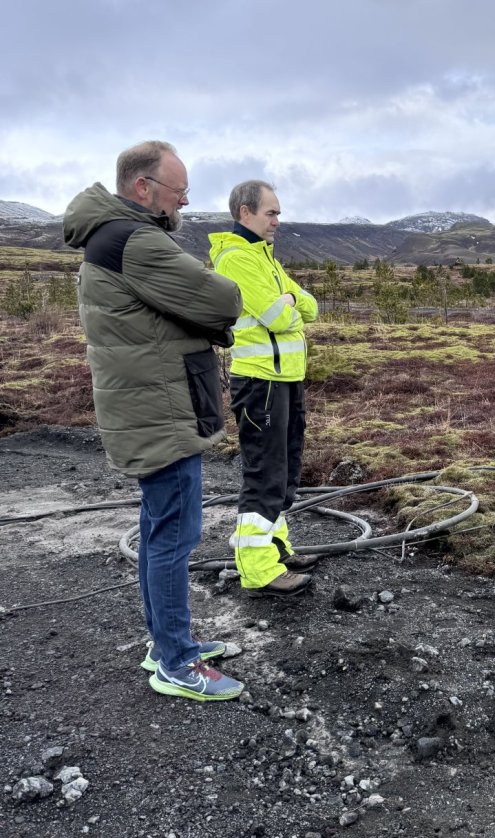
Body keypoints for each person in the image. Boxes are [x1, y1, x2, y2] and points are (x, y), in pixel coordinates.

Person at [63, 141, 246, 700]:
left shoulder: (111, 235)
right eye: (179, 191)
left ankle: (165, 641)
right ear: (144, 188)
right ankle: (176, 661)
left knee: (156, 529)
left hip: (148, 404)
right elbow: (224, 298)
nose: (185, 202)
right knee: (173, 535)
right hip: (159, 409)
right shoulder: (134, 240)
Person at [208, 181, 319, 597]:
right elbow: (277, 316)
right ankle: (257, 569)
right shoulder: (238, 259)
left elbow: (309, 305)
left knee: (286, 469)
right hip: (260, 382)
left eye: (277, 213)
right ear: (245, 213)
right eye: (271, 213)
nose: (277, 220)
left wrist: (289, 297)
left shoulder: (264, 257)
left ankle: (274, 548)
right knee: (265, 473)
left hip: (285, 378)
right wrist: (288, 301)